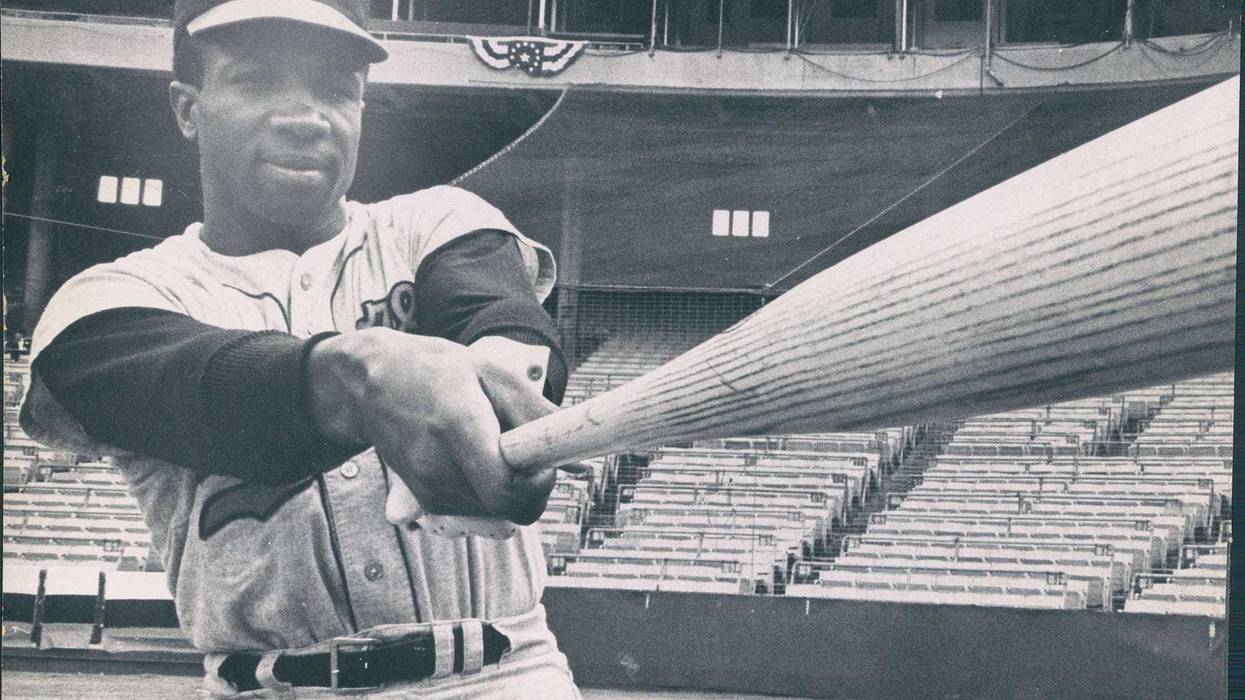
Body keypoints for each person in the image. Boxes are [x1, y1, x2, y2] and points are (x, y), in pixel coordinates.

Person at [19, 1, 583, 696]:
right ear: (188, 109)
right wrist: (355, 378)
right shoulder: (110, 299)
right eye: (256, 81)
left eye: (335, 88)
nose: (305, 117)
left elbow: (499, 315)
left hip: (501, 674)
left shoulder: (435, 222)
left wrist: (508, 378)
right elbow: (216, 393)